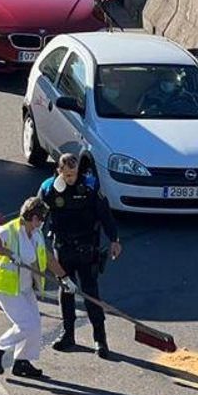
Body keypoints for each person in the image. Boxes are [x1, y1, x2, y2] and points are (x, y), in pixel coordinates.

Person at [39, 152, 122, 359]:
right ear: (59, 171)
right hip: (63, 248)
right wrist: (32, 242)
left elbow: (105, 215)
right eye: (66, 175)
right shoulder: (48, 189)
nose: (70, 178)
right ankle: (68, 334)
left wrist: (114, 240)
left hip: (87, 248)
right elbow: (37, 217)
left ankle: (100, 340)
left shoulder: (90, 187)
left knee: (91, 292)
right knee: (66, 291)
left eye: (73, 174)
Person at [0, 197, 65, 380]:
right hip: (7, 287)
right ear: (34, 218)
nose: (43, 222)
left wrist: (65, 278)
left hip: (24, 286)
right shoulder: (10, 230)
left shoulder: (35, 233)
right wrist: (10, 254)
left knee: (34, 325)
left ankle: (22, 362)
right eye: (42, 218)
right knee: (27, 324)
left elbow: (47, 258)